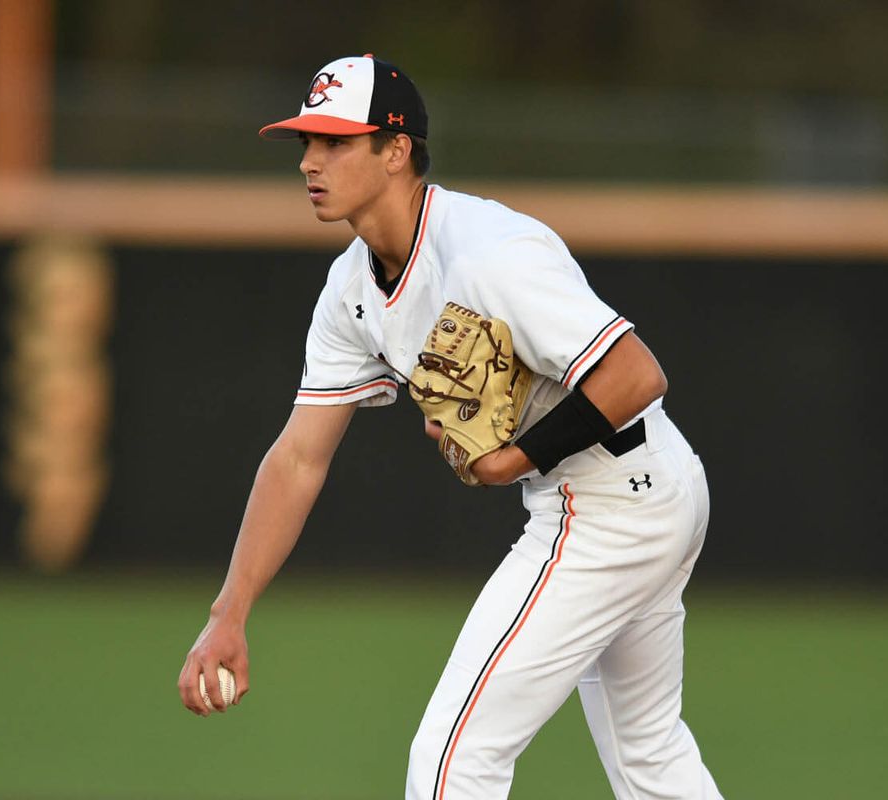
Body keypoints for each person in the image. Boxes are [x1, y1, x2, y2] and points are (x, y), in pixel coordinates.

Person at [177, 54, 723, 800]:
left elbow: (636, 374)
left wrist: (512, 460)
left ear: (396, 149)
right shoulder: (350, 290)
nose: (310, 161)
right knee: (650, 756)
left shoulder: (489, 253)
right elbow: (299, 458)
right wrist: (228, 613)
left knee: (452, 760)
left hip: (609, 502)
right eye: (306, 143)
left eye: (335, 142)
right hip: (648, 490)